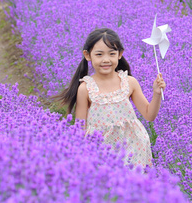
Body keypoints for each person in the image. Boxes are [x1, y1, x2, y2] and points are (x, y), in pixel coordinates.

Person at [56, 28, 166, 168]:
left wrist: (156, 93)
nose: (106, 60)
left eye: (112, 54)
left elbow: (149, 115)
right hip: (101, 150)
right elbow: (80, 127)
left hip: (133, 146)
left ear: (120, 54)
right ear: (88, 55)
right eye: (99, 54)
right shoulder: (86, 88)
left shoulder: (129, 82)